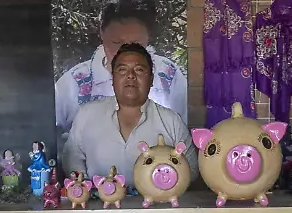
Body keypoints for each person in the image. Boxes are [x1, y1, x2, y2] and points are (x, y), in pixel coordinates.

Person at [54, 0, 187, 134]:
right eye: (116, 42)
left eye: (137, 44)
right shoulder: (73, 85)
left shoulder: (168, 78)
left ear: (148, 36)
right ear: (101, 32)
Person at [63, 42, 197, 185]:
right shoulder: (87, 115)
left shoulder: (172, 122)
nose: (131, 76)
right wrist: (87, 188)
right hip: (99, 199)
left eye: (139, 70)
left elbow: (192, 171)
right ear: (112, 78)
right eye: (122, 70)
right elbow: (72, 160)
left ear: (151, 79)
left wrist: (164, 187)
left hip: (156, 199)